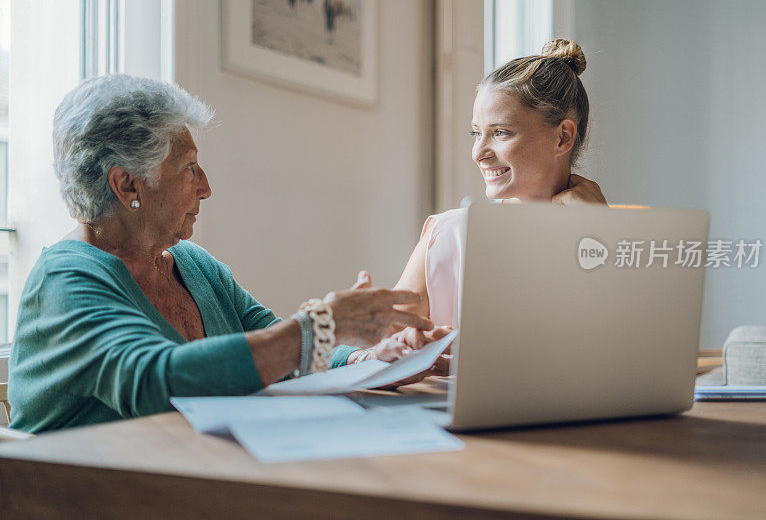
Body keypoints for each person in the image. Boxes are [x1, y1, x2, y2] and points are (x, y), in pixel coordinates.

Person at [7, 74, 443, 434]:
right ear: (127, 185)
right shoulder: (65, 281)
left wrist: (371, 358)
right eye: (189, 168)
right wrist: (321, 326)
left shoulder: (193, 265)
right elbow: (158, 381)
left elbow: (276, 346)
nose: (206, 187)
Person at [338, 39, 607, 366]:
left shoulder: (605, 240)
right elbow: (384, 350)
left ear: (563, 137)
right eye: (475, 133)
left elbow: (621, 351)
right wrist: (414, 350)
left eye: (501, 133)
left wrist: (604, 232)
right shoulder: (448, 237)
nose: (478, 153)